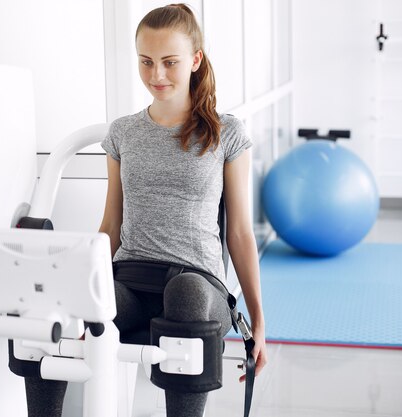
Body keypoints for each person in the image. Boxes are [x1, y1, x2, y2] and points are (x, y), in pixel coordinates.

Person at [24, 4, 266, 417]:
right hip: (132, 281)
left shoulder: (226, 133)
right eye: (146, 62)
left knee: (184, 292)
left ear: (195, 59)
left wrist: (258, 322)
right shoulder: (123, 133)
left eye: (170, 62)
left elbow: (240, 233)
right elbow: (111, 225)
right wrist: (77, 283)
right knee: (60, 302)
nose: (156, 76)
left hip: (198, 286)